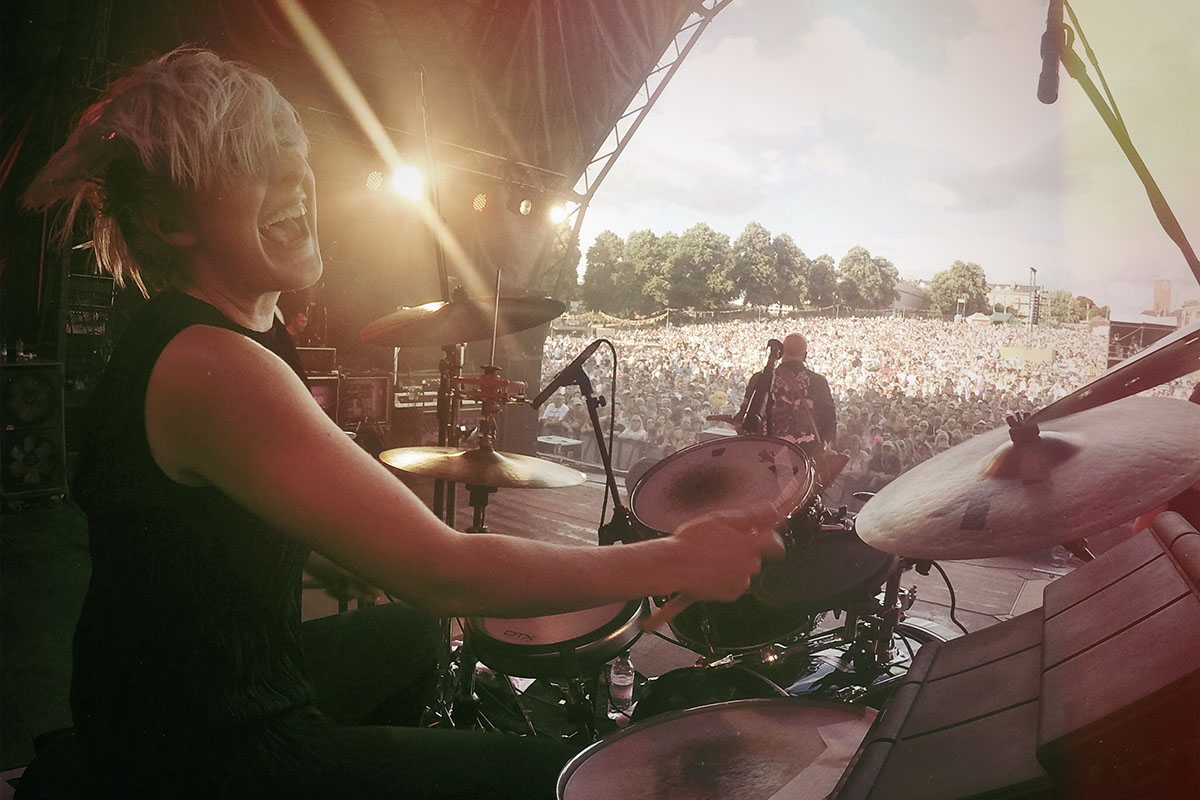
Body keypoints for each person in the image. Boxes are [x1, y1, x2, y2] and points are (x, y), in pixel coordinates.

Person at [19, 48, 784, 799]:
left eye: (292, 151)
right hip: (194, 752)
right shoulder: (210, 364)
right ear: (169, 221)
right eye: (247, 162)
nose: (295, 178)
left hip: (197, 686)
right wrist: (672, 561)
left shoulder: (238, 336)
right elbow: (441, 572)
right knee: (555, 782)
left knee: (407, 636)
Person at [735, 332, 841, 483]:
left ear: (782, 353)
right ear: (805, 355)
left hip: (763, 458)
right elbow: (829, 421)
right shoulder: (817, 382)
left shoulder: (760, 379)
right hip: (804, 461)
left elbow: (747, 421)